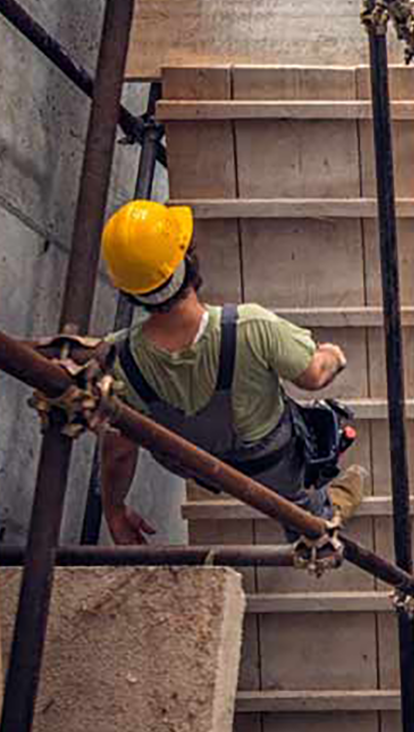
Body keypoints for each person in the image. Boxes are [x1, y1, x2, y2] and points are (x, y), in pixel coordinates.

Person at [94, 200, 367, 545]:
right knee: (302, 502)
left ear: (128, 289)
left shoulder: (118, 360)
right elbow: (313, 377)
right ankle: (322, 519)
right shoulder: (251, 327)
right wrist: (332, 356)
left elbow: (118, 452)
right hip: (271, 467)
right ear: (187, 261)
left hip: (200, 468)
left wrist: (115, 511)